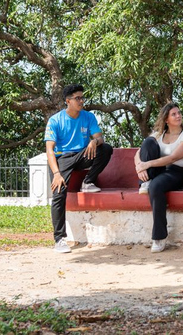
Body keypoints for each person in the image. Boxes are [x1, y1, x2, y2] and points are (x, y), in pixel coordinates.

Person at [45, 84, 113, 254]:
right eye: (78, 98)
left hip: (82, 155)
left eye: (83, 97)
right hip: (62, 158)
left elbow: (100, 138)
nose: (81, 101)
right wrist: (56, 174)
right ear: (68, 101)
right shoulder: (55, 120)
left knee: (106, 148)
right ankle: (59, 239)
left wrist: (94, 141)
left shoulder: (88, 117)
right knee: (59, 194)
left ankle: (88, 182)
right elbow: (49, 149)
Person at [134, 102, 183, 253]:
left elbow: (173, 158)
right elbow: (138, 154)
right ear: (166, 119)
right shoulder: (158, 135)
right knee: (148, 142)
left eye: (179, 113)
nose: (178, 116)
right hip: (156, 171)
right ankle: (145, 182)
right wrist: (139, 167)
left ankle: (159, 237)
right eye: (174, 114)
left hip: (174, 172)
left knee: (156, 186)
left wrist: (147, 164)